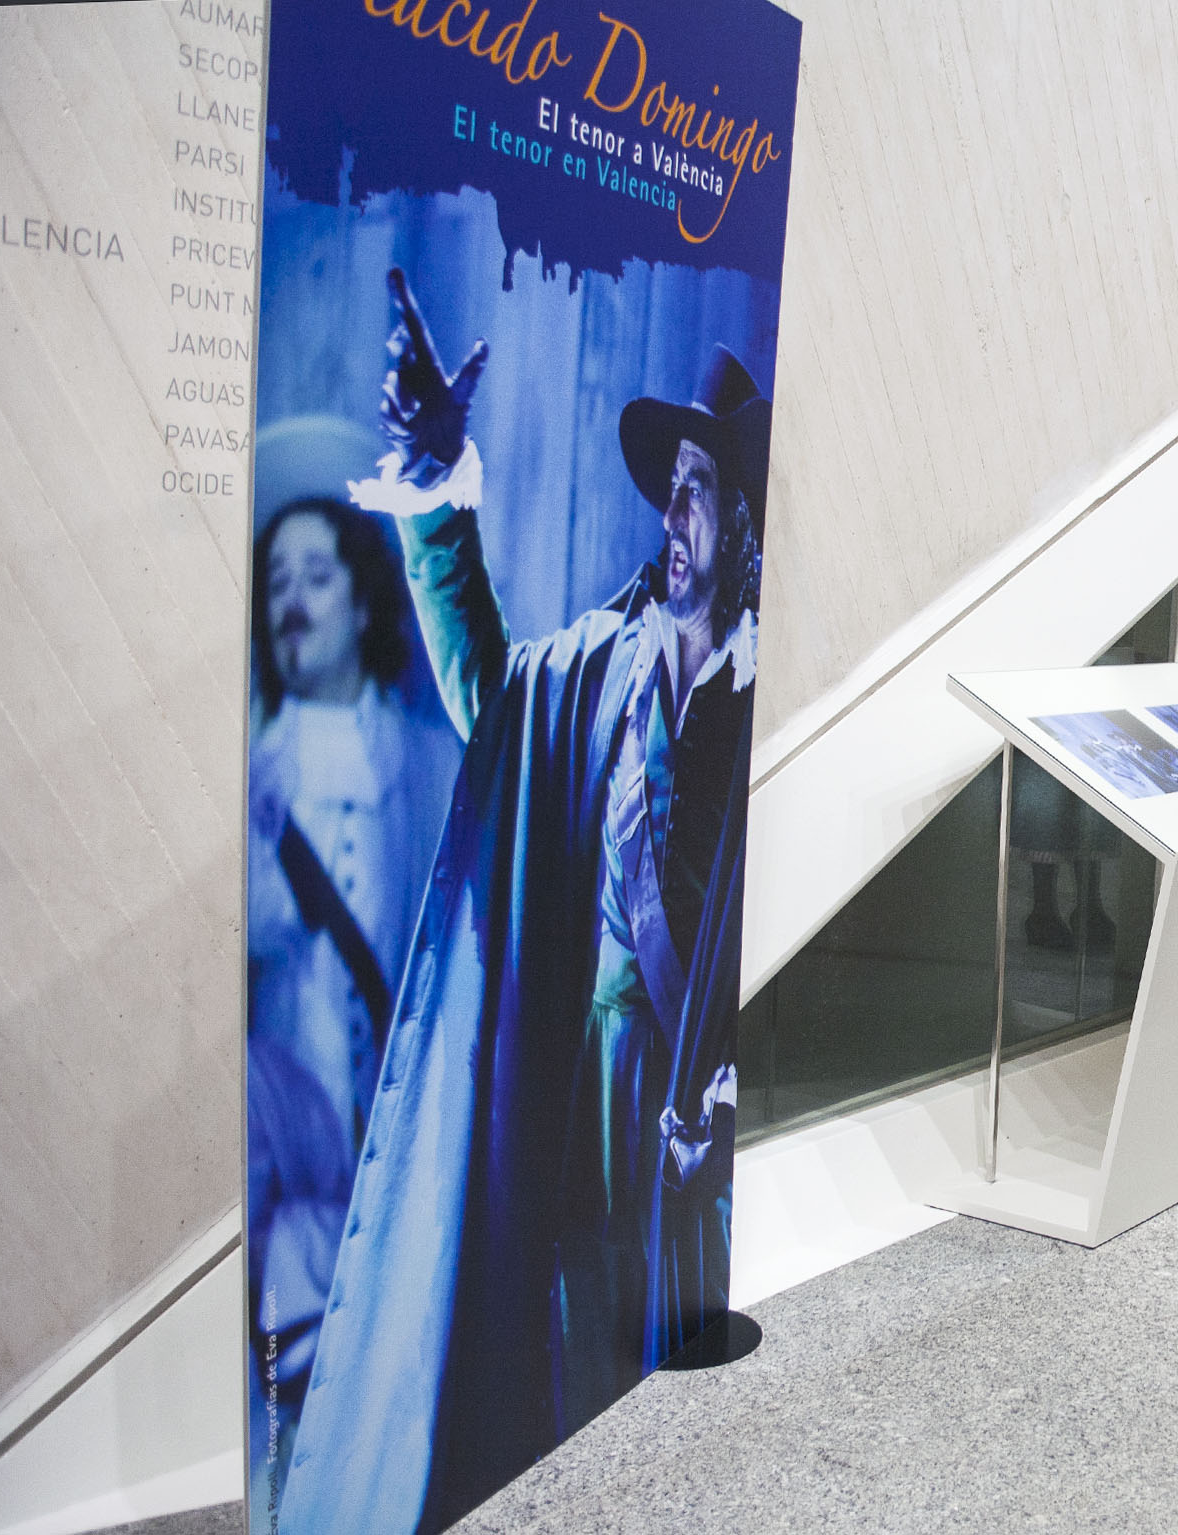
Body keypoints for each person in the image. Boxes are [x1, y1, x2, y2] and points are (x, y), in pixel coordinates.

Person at [277, 271, 763, 1534]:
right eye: (671, 487)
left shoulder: (761, 699)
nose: (673, 511)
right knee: (548, 1372)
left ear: (749, 522)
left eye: (700, 489)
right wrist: (439, 497)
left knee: (657, 1393)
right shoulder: (605, 666)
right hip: (572, 1090)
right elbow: (492, 696)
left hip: (684, 1129)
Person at [244, 494, 459, 1492]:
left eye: (315, 578)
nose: (292, 604)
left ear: (366, 602)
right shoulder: (247, 775)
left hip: (405, 1177)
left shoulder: (428, 760)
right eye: (276, 585)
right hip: (294, 1191)